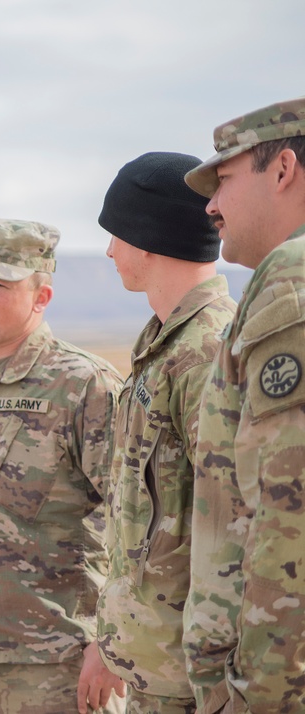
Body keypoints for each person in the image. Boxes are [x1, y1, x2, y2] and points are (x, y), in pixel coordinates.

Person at [0, 218, 126, 714]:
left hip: (56, 666)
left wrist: (112, 644)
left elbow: (137, 521)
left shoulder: (83, 386)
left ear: (41, 296)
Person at [94, 152, 236, 713]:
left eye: (116, 234)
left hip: (195, 676)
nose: (108, 251)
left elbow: (233, 524)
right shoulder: (166, 345)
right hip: (158, 662)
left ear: (147, 239)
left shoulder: (205, 354)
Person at [182, 97, 305, 712]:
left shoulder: (293, 275)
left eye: (225, 180)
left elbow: (288, 513)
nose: (211, 205)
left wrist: (260, 696)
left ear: (283, 170)